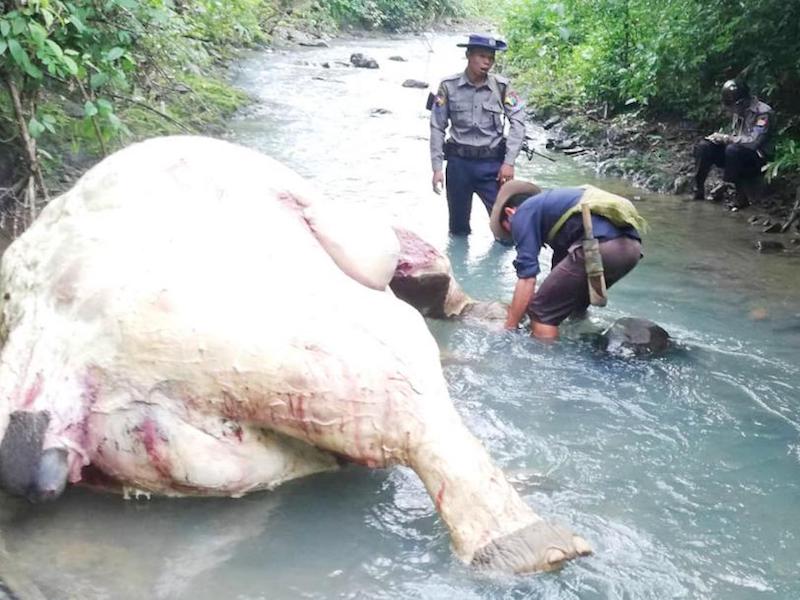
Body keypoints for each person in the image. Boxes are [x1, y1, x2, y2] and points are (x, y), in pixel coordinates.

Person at [489, 181, 646, 339]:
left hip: (601, 248)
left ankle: (545, 353)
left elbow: (527, 278)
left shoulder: (523, 213)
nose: (515, 236)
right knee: (574, 306)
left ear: (510, 213)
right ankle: (583, 341)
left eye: (509, 230)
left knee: (541, 312)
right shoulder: (556, 211)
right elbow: (559, 280)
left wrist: (509, 329)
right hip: (631, 250)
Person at [429, 34, 526, 236]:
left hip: (492, 167)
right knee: (458, 229)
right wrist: (437, 168)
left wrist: (509, 163)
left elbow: (518, 123)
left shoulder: (502, 87)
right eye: (481, 56)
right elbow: (437, 127)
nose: (487, 62)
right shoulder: (448, 86)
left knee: (507, 227)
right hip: (458, 166)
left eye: (491, 58)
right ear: (468, 55)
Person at [693, 80, 774, 208]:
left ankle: (738, 194)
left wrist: (727, 138)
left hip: (757, 158)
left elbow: (754, 142)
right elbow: (736, 136)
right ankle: (698, 189)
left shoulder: (763, 113)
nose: (731, 109)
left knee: (733, 150)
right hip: (736, 152)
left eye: (732, 106)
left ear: (742, 102)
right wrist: (717, 139)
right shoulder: (739, 112)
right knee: (704, 146)